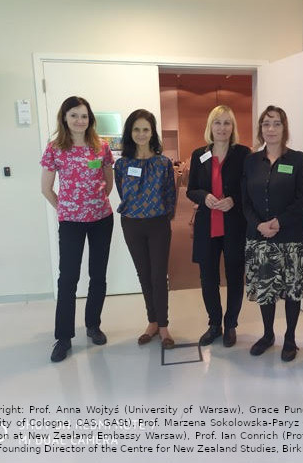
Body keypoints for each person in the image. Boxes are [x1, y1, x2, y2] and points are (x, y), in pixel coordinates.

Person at [40, 96, 114, 363]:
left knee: (98, 275)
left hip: (101, 220)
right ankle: (63, 337)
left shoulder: (101, 147)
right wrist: (66, 209)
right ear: (64, 118)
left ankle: (93, 325)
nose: (79, 120)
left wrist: (94, 204)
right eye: (74, 115)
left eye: (84, 116)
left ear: (90, 119)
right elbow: (46, 188)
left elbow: (108, 182)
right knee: (68, 278)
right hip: (71, 223)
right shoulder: (55, 148)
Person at [242, 105, 303, 362]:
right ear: (260, 129)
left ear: (284, 128)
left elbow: (302, 199)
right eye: (266, 124)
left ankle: (290, 338)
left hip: (291, 237)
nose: (271, 129)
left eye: (276, 123)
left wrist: (278, 222)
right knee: (266, 290)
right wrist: (259, 225)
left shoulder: (297, 159)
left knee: (292, 290)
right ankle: (267, 335)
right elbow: (245, 201)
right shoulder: (251, 161)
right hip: (260, 237)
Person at [187, 105, 250, 347]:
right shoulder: (199, 154)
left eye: (227, 123)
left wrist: (234, 199)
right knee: (208, 278)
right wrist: (204, 197)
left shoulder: (243, 154)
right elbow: (191, 189)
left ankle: (231, 324)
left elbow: (249, 188)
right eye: (217, 122)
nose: (222, 128)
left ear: (233, 127)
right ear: (210, 126)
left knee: (235, 276)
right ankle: (214, 324)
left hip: (234, 226)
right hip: (207, 226)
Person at [114, 109, 176, 349]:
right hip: (132, 224)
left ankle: (164, 325)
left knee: (159, 275)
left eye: (146, 129)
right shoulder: (122, 164)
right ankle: (152, 322)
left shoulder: (163, 163)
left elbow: (170, 195)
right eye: (136, 129)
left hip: (158, 224)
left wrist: (161, 216)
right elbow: (123, 193)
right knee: (144, 275)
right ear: (130, 132)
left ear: (153, 133)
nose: (141, 134)